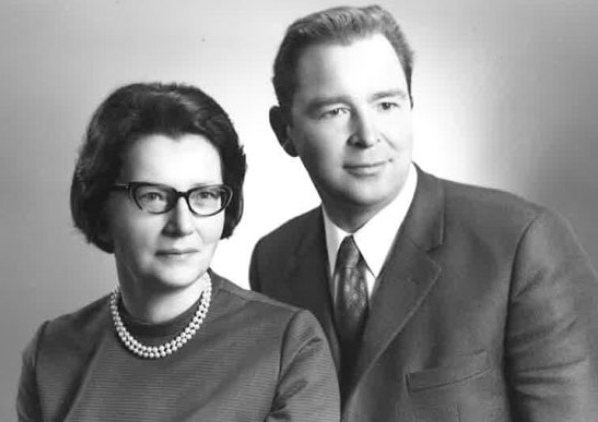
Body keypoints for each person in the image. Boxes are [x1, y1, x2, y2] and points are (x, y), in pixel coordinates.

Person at [249, 5, 598, 421]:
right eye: (335, 111)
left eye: (386, 105)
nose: (368, 136)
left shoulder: (523, 244)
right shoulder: (272, 260)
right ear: (284, 131)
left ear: (410, 106)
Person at [17, 82, 339, 422]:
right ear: (101, 209)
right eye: (154, 196)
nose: (182, 225)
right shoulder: (49, 354)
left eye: (204, 195)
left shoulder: (290, 346)